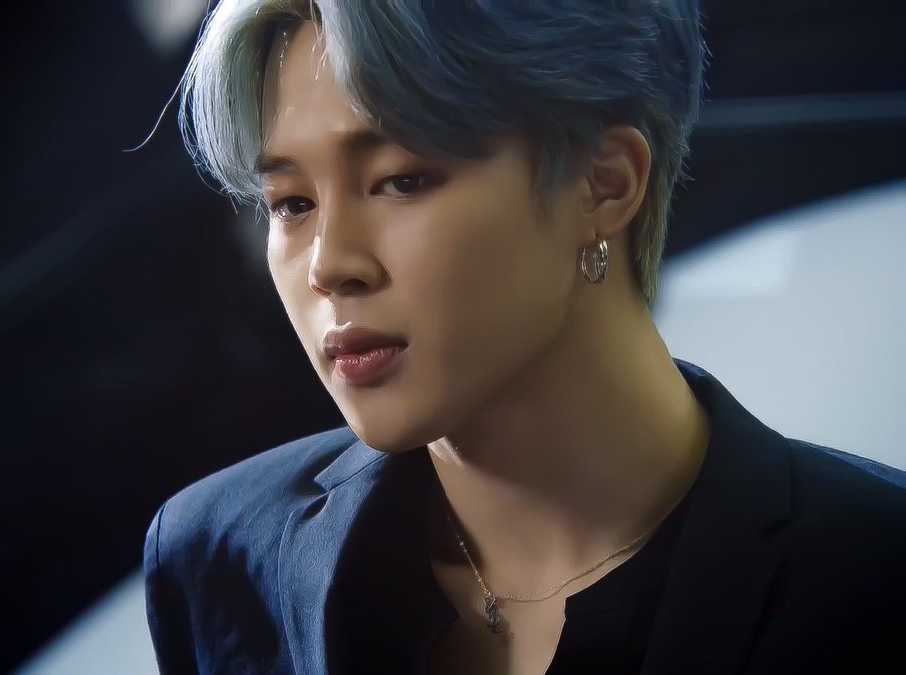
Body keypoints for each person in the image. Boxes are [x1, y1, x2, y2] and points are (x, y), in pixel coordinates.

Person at [143, 1, 906, 673]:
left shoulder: (871, 576)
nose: (329, 265)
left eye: (402, 179)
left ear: (604, 182)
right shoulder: (220, 557)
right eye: (290, 202)